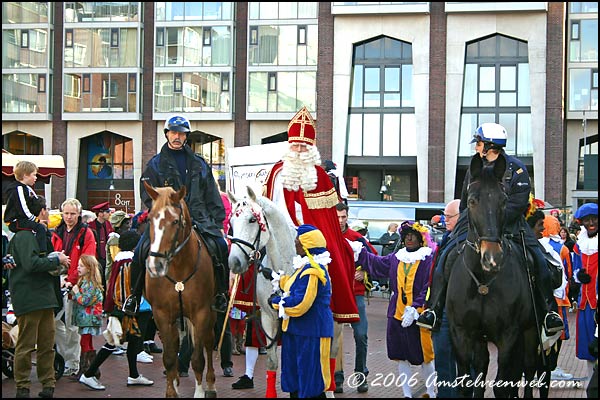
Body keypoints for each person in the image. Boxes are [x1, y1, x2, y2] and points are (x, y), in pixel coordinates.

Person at [417, 122, 564, 336]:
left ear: (489, 145)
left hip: (510, 224)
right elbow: (466, 201)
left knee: (539, 260)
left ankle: (549, 312)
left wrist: (496, 221)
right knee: (444, 255)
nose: (476, 147)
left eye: (478, 143)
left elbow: (519, 202)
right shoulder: (473, 168)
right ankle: (434, 309)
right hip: (474, 225)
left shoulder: (517, 168)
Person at [263, 106, 359, 394]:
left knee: (339, 253)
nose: (300, 149)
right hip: (281, 239)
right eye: (295, 144)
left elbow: (329, 220)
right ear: (289, 145)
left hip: (314, 243)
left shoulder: (320, 175)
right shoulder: (277, 172)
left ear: (312, 147)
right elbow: (268, 209)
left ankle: (329, 375)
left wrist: (317, 243)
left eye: (305, 145)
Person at [124, 114, 229, 315]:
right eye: (173, 132)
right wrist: (159, 212)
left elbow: (212, 193)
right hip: (167, 220)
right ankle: (134, 296)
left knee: (221, 247)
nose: (177, 137)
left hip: (199, 218)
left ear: (186, 136)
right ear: (166, 134)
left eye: (181, 133)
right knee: (140, 251)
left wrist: (217, 221)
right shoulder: (155, 164)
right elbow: (147, 193)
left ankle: (220, 293)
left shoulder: (200, 163)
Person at [352, 220, 436, 398]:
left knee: (426, 354)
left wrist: (415, 308)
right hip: (397, 313)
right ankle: (406, 394)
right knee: (401, 355)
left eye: (413, 236)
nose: (409, 239)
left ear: (421, 239)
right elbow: (377, 264)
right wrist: (359, 251)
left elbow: (429, 286)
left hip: (419, 316)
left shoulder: (428, 258)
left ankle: (430, 391)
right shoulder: (397, 257)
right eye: (406, 236)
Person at [8, 195, 70, 398]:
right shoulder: (26, 235)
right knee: (27, 346)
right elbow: (31, 264)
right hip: (30, 296)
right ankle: (24, 386)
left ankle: (47, 385)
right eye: (46, 210)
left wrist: (55, 262)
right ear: (41, 211)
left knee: (45, 345)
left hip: (43, 296)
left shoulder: (34, 233)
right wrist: (57, 260)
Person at [79, 229, 154, 390]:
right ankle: (89, 374)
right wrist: (127, 307)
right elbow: (125, 288)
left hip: (122, 308)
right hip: (124, 309)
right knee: (112, 342)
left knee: (133, 341)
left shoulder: (121, 260)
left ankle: (133, 375)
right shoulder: (128, 262)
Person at [269, 224, 334, 398]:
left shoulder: (313, 271)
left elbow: (300, 304)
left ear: (307, 245)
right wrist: (277, 279)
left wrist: (276, 302)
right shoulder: (304, 268)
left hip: (312, 332)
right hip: (297, 332)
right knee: (296, 381)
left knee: (311, 382)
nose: (295, 244)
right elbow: (293, 286)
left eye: (297, 241)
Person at [51, 198, 97, 377]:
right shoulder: (58, 231)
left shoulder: (86, 234)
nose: (69, 217)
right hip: (58, 281)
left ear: (79, 214)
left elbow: (87, 260)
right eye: (66, 213)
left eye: (72, 214)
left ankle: (73, 361)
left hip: (75, 285)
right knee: (55, 323)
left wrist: (71, 280)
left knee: (72, 325)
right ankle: (66, 357)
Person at [335, 202, 375, 393]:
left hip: (355, 294)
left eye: (343, 216)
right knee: (334, 337)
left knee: (361, 334)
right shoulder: (326, 236)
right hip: (334, 296)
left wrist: (365, 272)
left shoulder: (357, 238)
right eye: (338, 216)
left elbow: (375, 261)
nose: (341, 220)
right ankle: (337, 378)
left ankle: (361, 375)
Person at [571, 202, 598, 390]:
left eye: (594, 219)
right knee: (590, 348)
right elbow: (574, 269)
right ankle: (591, 385)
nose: (591, 223)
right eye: (587, 220)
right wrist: (578, 276)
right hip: (585, 304)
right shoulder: (579, 245)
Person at [3, 160, 50, 256]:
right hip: (15, 221)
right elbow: (23, 208)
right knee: (40, 228)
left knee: (44, 229)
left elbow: (34, 201)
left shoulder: (26, 188)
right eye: (34, 175)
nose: (36, 178)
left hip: (21, 219)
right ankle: (42, 252)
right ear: (25, 175)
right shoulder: (19, 189)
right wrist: (36, 220)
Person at [71, 254, 104, 379]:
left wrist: (76, 292)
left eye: (81, 266)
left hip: (89, 319)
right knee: (87, 343)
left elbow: (85, 301)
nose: (78, 268)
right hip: (85, 318)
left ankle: (85, 370)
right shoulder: (83, 282)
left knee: (85, 342)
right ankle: (92, 369)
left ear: (89, 268)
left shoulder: (90, 284)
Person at [88, 201, 114, 295]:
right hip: (96, 258)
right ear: (100, 214)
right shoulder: (90, 226)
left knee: (106, 282)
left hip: (107, 259)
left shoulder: (109, 225)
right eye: (107, 211)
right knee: (96, 282)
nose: (109, 213)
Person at [105, 211, 132, 290]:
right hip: (114, 277)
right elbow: (117, 260)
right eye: (127, 223)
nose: (129, 226)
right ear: (119, 226)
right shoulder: (114, 240)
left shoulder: (120, 239)